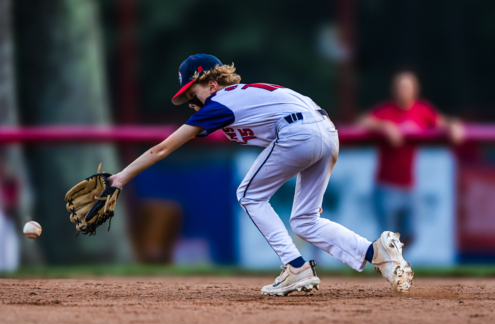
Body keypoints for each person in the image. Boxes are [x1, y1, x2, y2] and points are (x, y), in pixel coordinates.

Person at [108, 54, 414, 294]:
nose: (191, 102)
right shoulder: (240, 96)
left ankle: (296, 266)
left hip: (299, 133)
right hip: (326, 132)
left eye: (193, 92)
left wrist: (119, 179)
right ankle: (375, 252)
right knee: (304, 220)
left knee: (248, 194)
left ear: (212, 85)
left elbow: (161, 149)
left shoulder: (219, 103)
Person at [359, 71, 463, 247]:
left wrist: (454, 126)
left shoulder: (421, 110)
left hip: (409, 187)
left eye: (406, 87)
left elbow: (443, 122)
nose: (402, 90)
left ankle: (392, 259)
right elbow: (363, 121)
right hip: (386, 186)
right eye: (399, 87)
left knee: (411, 234)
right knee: (387, 237)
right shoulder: (386, 111)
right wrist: (384, 127)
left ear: (415, 90)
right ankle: (388, 260)